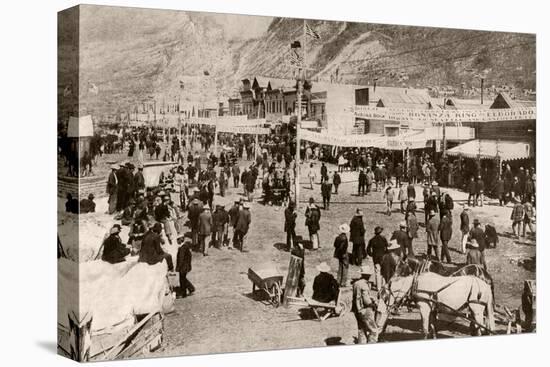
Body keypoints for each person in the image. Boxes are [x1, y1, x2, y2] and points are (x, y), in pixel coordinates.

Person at [352, 264, 379, 344]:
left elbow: (357, 296)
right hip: (365, 310)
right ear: (368, 275)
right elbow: (366, 301)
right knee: (373, 330)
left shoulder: (356, 283)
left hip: (357, 310)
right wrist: (373, 304)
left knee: (361, 329)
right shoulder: (364, 285)